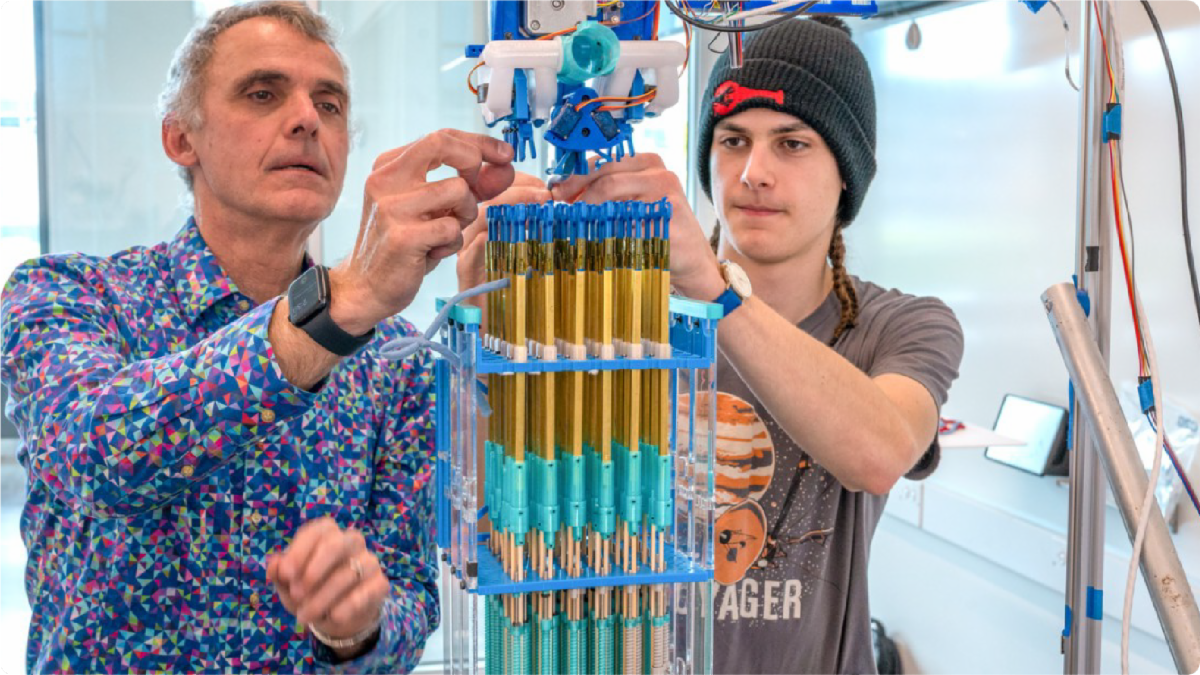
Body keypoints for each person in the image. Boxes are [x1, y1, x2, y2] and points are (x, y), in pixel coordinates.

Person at [0, 1, 540, 673]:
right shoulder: (67, 295)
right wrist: (337, 305)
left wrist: (358, 627)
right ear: (180, 138)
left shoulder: (392, 359)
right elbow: (95, 453)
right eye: (262, 93)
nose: (308, 118)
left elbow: (410, 597)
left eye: (331, 104)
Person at [549, 16, 964, 674]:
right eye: (733, 140)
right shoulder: (631, 316)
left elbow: (879, 450)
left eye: (792, 144)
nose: (753, 173)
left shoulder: (899, 325)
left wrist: (716, 295)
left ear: (847, 174)